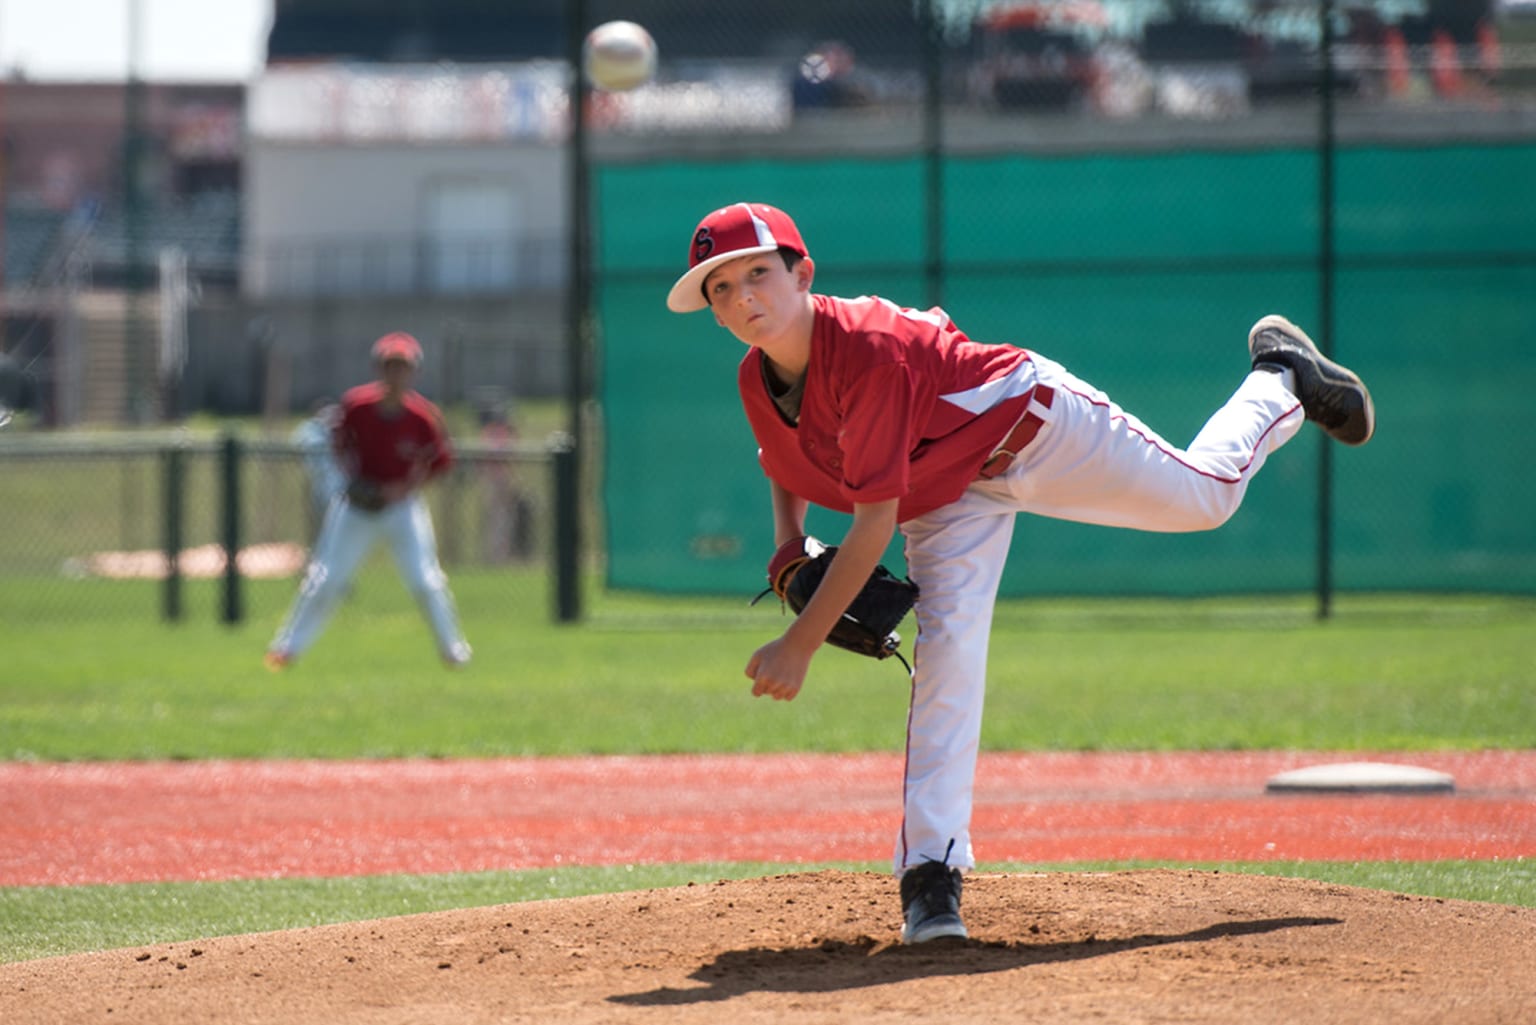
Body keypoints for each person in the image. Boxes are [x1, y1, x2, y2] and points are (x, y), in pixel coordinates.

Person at [665, 202, 1374, 944]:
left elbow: (873, 523)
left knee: (1208, 497)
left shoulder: (867, 349)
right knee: (948, 650)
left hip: (1032, 429)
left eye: (758, 274)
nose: (744, 296)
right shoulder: (758, 376)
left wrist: (800, 642)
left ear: (801, 273)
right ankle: (930, 875)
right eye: (720, 288)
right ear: (711, 311)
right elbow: (786, 458)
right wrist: (787, 547)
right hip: (942, 493)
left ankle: (1280, 378)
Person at [265, 331, 472, 670]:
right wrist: (351, 480)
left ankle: (453, 650)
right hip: (357, 506)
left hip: (401, 508)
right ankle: (287, 648)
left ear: (413, 372)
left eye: (402, 367)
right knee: (327, 579)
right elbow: (339, 445)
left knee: (425, 580)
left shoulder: (422, 417)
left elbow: (440, 462)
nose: (396, 374)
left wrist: (404, 488)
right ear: (379, 369)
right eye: (390, 366)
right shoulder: (357, 406)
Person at [292, 396, 347, 537]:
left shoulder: (341, 426)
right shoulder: (310, 429)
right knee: (319, 520)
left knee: (336, 518)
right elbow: (298, 448)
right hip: (319, 478)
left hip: (337, 477)